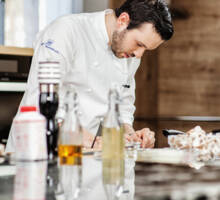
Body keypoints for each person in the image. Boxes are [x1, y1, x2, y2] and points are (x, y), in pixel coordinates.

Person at [6, 0, 173, 152]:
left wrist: (130, 135)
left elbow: (123, 106)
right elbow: (41, 103)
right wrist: (93, 141)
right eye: (139, 44)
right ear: (123, 21)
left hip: (79, 156)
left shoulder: (128, 53)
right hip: (35, 149)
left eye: (145, 50)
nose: (139, 55)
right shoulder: (66, 31)